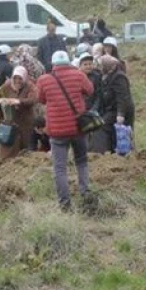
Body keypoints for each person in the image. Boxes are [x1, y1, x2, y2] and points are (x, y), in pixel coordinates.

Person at [36, 51, 94, 211]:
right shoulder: (79, 75)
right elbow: (90, 90)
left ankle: (65, 203)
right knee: (81, 161)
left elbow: (40, 99)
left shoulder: (44, 79)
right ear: (68, 62)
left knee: (59, 168)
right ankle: (85, 193)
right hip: (78, 127)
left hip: (57, 131)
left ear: (53, 64)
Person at [0, 66, 38, 160]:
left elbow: (33, 99)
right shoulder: (7, 85)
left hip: (26, 122)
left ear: (24, 78)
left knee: (26, 147)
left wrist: (19, 101)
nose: (17, 81)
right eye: (15, 78)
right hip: (10, 123)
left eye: (20, 78)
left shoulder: (30, 86)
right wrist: (1, 100)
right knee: (9, 148)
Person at [99, 55, 135, 153]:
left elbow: (122, 97)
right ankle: (112, 150)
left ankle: (125, 152)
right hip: (112, 109)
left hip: (122, 109)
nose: (100, 67)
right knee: (113, 130)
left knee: (123, 132)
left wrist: (120, 114)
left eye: (101, 65)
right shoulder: (107, 75)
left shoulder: (119, 77)